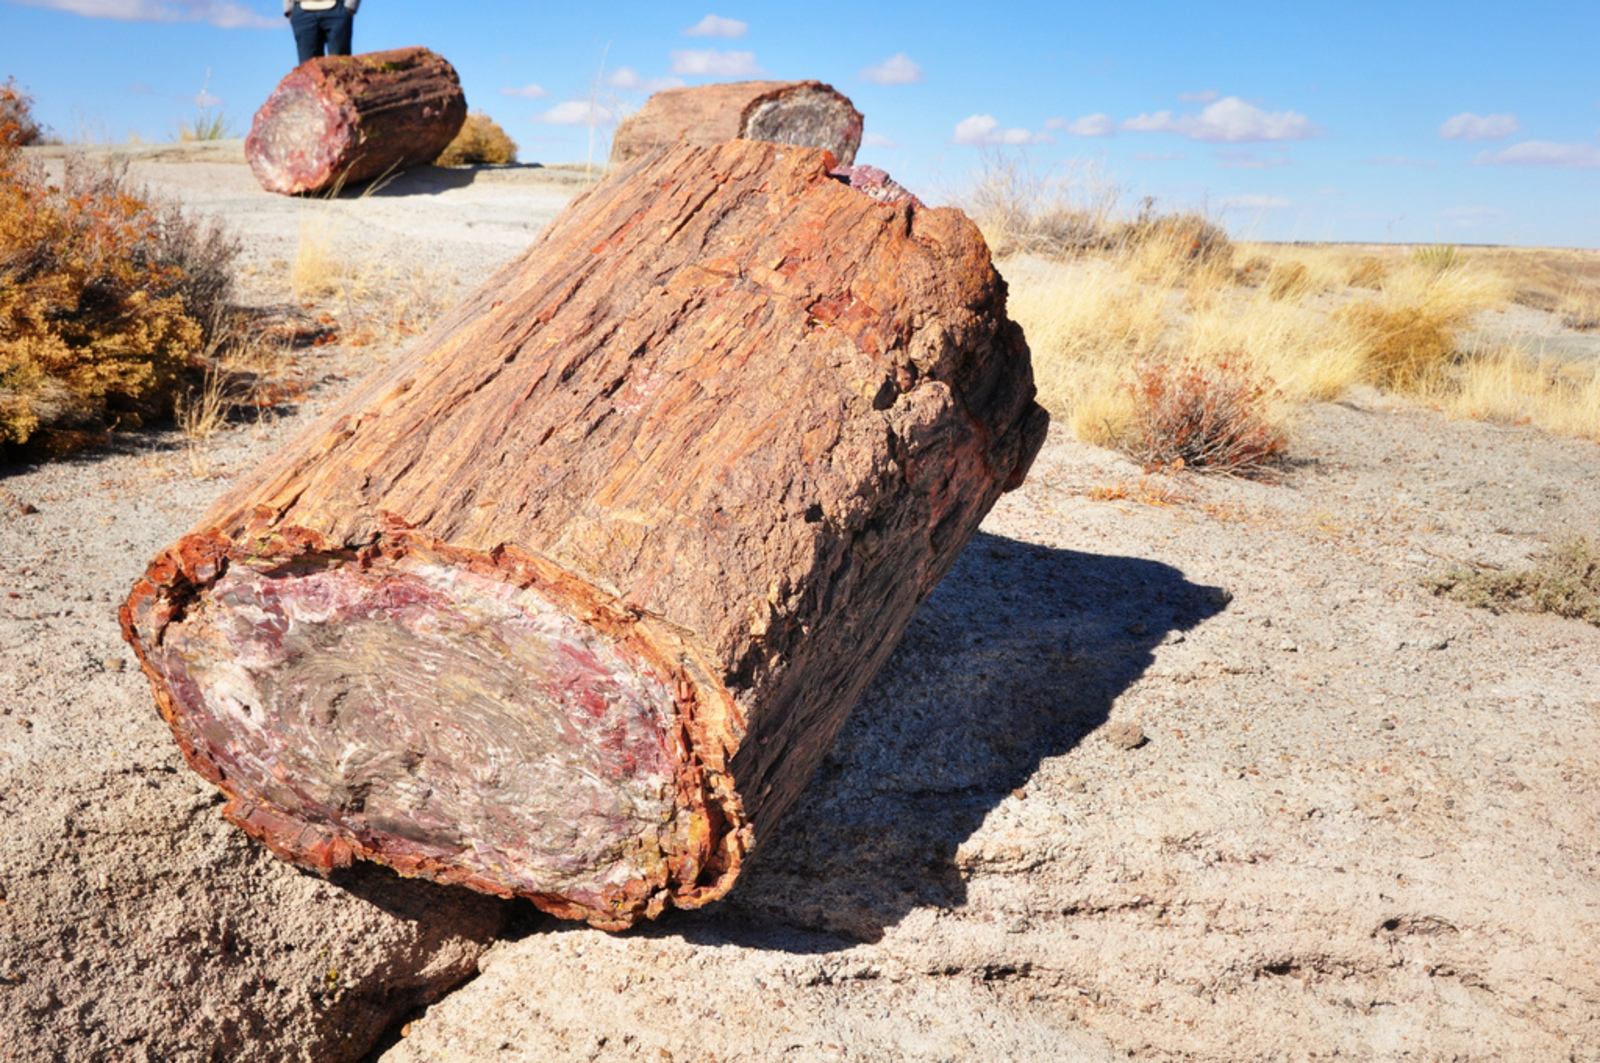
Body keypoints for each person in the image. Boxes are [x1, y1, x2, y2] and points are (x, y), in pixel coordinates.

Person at [284, 0, 360, 65]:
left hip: (338, 8)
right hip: (302, 11)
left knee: (341, 67)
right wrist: (289, 8)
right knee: (308, 73)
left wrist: (351, 5)